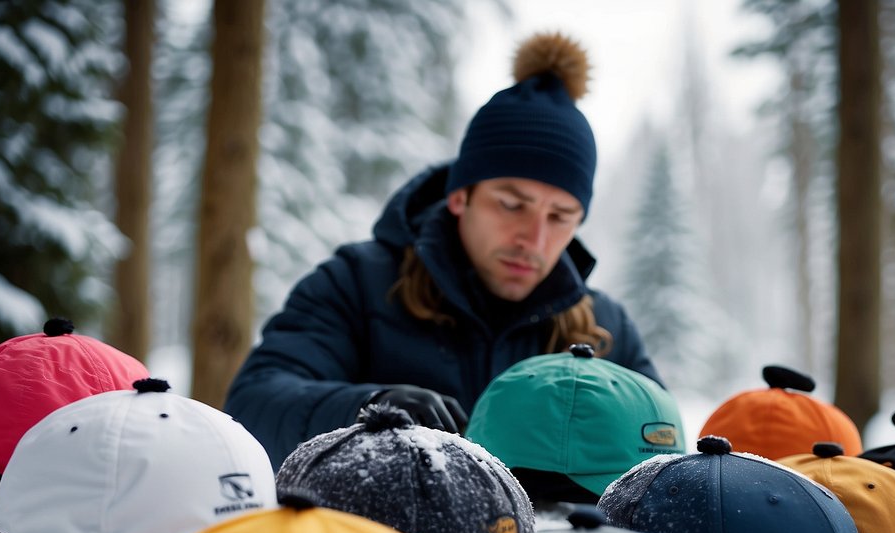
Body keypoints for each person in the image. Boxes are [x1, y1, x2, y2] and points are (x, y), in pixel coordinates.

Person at [225, 32, 663, 468]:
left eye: (560, 216)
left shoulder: (606, 329)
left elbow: (659, 452)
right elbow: (254, 403)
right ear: (459, 196)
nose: (534, 239)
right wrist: (370, 408)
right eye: (512, 205)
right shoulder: (356, 283)